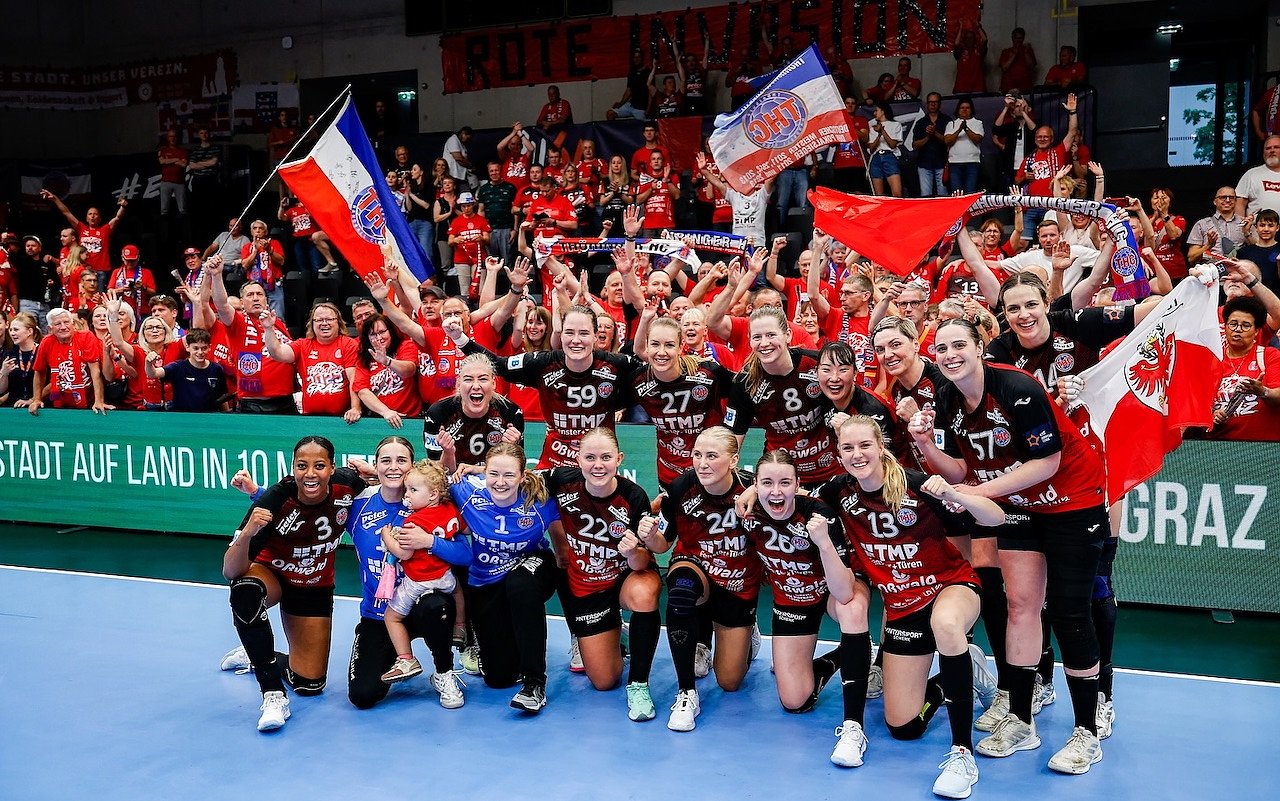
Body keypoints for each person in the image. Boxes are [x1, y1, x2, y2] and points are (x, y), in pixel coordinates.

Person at [907, 318, 1109, 775]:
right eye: (941, 348)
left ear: (979, 347)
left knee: (1070, 612)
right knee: (1020, 606)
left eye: (959, 345)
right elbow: (960, 470)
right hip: (1019, 505)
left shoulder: (1018, 388)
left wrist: (978, 493)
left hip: (1073, 502)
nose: (950, 355)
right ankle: (1021, 719)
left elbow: (1048, 461)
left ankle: (1086, 732)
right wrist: (925, 447)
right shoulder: (947, 398)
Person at [814, 416, 1003, 795]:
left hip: (950, 587)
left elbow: (994, 517)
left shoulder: (917, 485)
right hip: (902, 606)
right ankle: (963, 670)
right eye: (848, 448)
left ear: (880, 446)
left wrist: (956, 495)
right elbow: (793, 498)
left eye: (865, 445)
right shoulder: (838, 490)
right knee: (904, 726)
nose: (857, 454)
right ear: (839, 453)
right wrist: (751, 493)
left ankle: (962, 754)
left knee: (946, 625)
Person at [219, 436, 365, 731]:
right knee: (245, 592)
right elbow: (230, 571)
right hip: (272, 574)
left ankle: (257, 653)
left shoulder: (347, 484)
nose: (310, 474)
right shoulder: (273, 501)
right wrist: (247, 533)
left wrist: (373, 472)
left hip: (314, 584)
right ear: (293, 468)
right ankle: (272, 693)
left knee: (310, 683)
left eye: (319, 466)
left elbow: (387, 486)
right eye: (302, 466)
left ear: (332, 468)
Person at [738, 451, 870, 751]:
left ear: (798, 485)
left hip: (832, 589)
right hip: (792, 598)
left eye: (785, 483)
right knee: (795, 701)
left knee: (853, 609)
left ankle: (853, 726)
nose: (776, 491)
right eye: (767, 483)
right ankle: (842, 656)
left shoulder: (819, 515)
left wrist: (824, 543)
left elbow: (844, 591)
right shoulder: (747, 511)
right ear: (755, 485)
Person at [636, 427, 761, 732]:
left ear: (733, 460)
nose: (702, 463)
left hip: (738, 583)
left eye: (712, 456)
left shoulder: (752, 488)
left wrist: (758, 488)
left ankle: (746, 634)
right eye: (697, 455)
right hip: (696, 568)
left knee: (729, 681)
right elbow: (664, 544)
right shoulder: (681, 487)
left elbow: (796, 494)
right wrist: (649, 537)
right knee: (681, 590)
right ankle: (686, 693)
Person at [545, 428, 660, 721]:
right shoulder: (561, 480)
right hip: (586, 586)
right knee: (604, 681)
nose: (598, 465)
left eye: (606, 457)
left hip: (623, 578)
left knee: (644, 594)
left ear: (619, 459)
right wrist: (473, 469)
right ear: (578, 459)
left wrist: (631, 552)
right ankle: (617, 634)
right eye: (590, 457)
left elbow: (642, 562)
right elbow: (517, 478)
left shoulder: (633, 496)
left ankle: (639, 684)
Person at [456, 304, 644, 468]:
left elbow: (651, 379)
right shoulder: (544, 363)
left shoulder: (616, 364)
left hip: (597, 468)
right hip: (554, 465)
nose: (576, 340)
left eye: (584, 333)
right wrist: (458, 338)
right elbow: (500, 365)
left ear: (595, 336)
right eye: (569, 333)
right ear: (561, 336)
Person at [450, 443, 563, 712]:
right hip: (486, 581)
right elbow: (425, 479)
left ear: (523, 476)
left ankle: (535, 684)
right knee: (498, 678)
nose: (500, 482)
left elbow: (562, 540)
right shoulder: (467, 492)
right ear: (484, 472)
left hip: (532, 569)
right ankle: (497, 643)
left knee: (520, 583)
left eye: (509, 475)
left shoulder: (539, 500)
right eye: (494, 474)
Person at [378, 460, 470, 710]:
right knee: (458, 591)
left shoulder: (413, 522)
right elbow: (465, 529)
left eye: (413, 490)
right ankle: (460, 628)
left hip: (417, 582)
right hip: (445, 578)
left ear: (433, 494)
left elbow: (404, 553)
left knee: (392, 617)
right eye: (407, 489)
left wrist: (387, 536)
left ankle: (406, 658)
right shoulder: (451, 509)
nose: (406, 495)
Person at [725, 307, 844, 487]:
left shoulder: (817, 364)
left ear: (788, 335)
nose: (764, 343)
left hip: (831, 471)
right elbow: (732, 440)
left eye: (771, 335)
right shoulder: (745, 382)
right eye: (757, 337)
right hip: (780, 478)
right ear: (749, 340)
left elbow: (851, 402)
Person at [630, 313, 734, 488]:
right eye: (655, 344)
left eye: (669, 345)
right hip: (668, 473)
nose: (661, 352)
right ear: (647, 347)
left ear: (681, 347)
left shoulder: (708, 373)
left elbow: (743, 392)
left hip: (709, 471)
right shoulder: (638, 380)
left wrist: (731, 437)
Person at [209, 256, 297, 414]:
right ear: (242, 302)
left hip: (285, 399)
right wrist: (216, 275)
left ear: (266, 300)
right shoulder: (238, 321)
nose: (255, 298)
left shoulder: (277, 322)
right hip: (255, 403)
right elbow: (222, 305)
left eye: (259, 294)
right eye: (250, 295)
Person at [423, 352, 524, 469]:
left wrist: (512, 448)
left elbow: (517, 471)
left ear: (493, 383)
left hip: (495, 479)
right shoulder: (437, 414)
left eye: (483, 379)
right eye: (468, 379)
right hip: (452, 478)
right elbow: (435, 474)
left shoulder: (511, 413)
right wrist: (448, 452)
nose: (476, 386)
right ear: (458, 384)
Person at [262, 303, 360, 419]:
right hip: (310, 418)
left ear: (338, 322)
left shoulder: (348, 344)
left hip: (342, 418)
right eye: (319, 320)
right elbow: (277, 353)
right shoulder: (302, 345)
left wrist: (355, 408)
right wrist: (268, 328)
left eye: (329, 319)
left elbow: (354, 379)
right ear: (312, 324)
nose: (324, 323)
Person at [1210, 296, 1280, 440]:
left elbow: (1278, 396)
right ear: (1225, 327)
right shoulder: (1210, 361)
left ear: (1256, 331)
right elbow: (1195, 404)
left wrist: (1262, 391)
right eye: (1233, 324)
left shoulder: (1269, 356)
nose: (1238, 329)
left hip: (1262, 446)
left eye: (1246, 325)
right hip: (1216, 445)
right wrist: (1211, 415)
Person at [29, 307, 107, 415]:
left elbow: (95, 370)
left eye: (66, 322)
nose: (63, 327)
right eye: (58, 324)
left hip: (88, 399)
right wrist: (36, 399)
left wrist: (99, 400)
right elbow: (39, 371)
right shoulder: (46, 342)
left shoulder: (86, 337)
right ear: (50, 329)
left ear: (73, 324)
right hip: (58, 397)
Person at [41, 190, 127, 283]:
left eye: (95, 214)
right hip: (82, 270)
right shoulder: (81, 228)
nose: (92, 216)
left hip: (99, 271)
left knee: (98, 293)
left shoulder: (105, 230)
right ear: (86, 218)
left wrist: (123, 207)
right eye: (90, 214)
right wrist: (55, 199)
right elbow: (66, 213)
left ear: (100, 219)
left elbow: (117, 218)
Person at [353, 312, 421, 428]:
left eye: (382, 332)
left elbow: (409, 370)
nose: (379, 338)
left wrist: (387, 362)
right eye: (373, 334)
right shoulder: (364, 358)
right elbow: (363, 391)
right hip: (380, 419)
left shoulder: (405, 346)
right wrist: (386, 412)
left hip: (411, 418)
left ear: (391, 331)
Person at [146, 327, 227, 412]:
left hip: (209, 416)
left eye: (204, 348)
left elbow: (222, 397)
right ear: (187, 347)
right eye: (196, 348)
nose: (200, 352)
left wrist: (226, 414)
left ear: (209, 347)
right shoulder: (178, 367)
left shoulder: (216, 369)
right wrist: (148, 362)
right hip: (181, 416)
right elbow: (153, 374)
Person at [1187, 187, 1251, 263]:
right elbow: (1191, 258)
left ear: (1236, 201)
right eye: (1223, 197)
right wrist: (1208, 246)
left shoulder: (1245, 223)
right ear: (1215, 201)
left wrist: (1247, 233)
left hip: (1237, 267)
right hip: (1210, 268)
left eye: (1231, 197)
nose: (1227, 200)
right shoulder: (1202, 224)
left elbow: (1258, 250)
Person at [912, 93, 953, 198]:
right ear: (927, 104)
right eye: (930, 102)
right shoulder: (921, 122)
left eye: (935, 102)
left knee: (943, 197)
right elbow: (915, 145)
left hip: (942, 163)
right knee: (926, 196)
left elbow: (949, 142)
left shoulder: (947, 120)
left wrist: (935, 133)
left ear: (940, 104)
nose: (933, 104)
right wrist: (928, 137)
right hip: (924, 164)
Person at [944, 98, 984, 194]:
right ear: (958, 110)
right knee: (956, 193)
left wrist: (966, 128)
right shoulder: (951, 124)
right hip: (954, 163)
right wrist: (959, 130)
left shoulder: (978, 123)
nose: (965, 110)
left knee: (970, 193)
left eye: (967, 108)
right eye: (962, 108)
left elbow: (978, 139)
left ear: (971, 110)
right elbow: (947, 141)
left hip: (972, 163)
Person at [0, 311, 41, 407]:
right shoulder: (10, 353)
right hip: (14, 407)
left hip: (38, 407)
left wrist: (33, 399)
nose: (12, 333)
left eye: (16, 330)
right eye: (11, 330)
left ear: (29, 331)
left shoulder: (41, 351)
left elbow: (52, 383)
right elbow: (1, 390)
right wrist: (3, 373)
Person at [867, 103, 904, 198]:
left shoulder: (895, 125)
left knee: (897, 194)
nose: (874, 113)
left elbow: (893, 145)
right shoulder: (873, 128)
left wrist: (882, 131)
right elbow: (871, 148)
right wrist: (879, 135)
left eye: (876, 110)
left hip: (890, 157)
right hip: (875, 158)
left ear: (883, 111)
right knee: (878, 196)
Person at [952, 18, 988, 94]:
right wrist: (961, 28)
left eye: (971, 37)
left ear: (975, 39)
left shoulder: (979, 50)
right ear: (964, 39)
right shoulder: (960, 51)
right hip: (961, 88)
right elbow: (956, 44)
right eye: (967, 38)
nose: (969, 39)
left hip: (978, 87)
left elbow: (985, 40)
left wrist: (978, 26)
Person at [999, 28, 1037, 93]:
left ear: (1023, 39)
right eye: (1016, 38)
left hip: (1025, 87)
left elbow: (1031, 67)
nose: (1018, 41)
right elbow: (1004, 68)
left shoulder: (1028, 51)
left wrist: (1026, 53)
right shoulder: (1005, 52)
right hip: (1008, 87)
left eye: (1020, 38)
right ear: (1012, 38)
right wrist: (1014, 54)